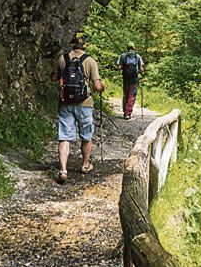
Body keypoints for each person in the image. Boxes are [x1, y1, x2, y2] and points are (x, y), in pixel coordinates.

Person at [51, 31, 104, 184]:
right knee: (86, 136)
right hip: (84, 104)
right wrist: (102, 87)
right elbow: (97, 85)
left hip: (65, 103)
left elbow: (54, 77)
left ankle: (63, 170)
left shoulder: (63, 58)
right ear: (85, 44)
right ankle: (85, 165)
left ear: (72, 43)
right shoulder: (90, 61)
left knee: (64, 137)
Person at [117, 43, 145, 119]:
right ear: (134, 48)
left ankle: (124, 112)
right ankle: (128, 113)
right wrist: (142, 73)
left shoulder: (123, 56)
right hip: (134, 79)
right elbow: (141, 69)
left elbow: (119, 67)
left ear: (127, 48)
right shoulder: (137, 57)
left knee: (125, 95)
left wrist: (123, 67)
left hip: (125, 78)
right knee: (132, 95)